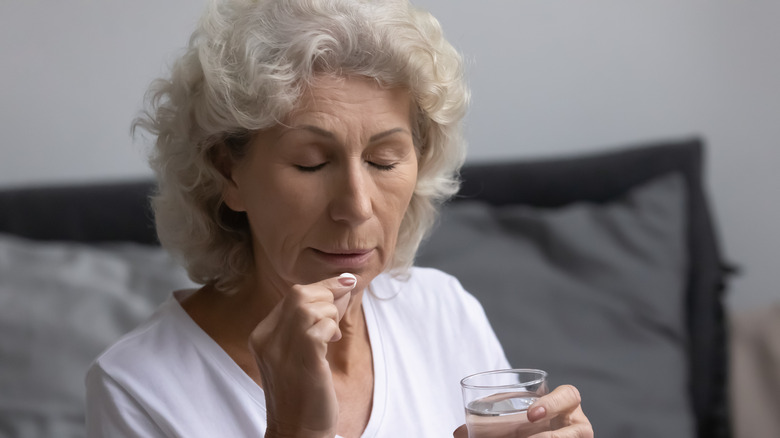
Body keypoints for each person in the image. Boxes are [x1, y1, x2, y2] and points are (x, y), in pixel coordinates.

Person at [85, 0, 593, 437]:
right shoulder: (139, 386)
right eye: (312, 162)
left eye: (384, 161)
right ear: (228, 173)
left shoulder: (443, 310)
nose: (356, 204)